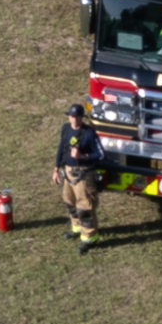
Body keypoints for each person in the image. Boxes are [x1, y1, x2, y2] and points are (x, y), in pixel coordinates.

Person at [53, 101, 105, 252]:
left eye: (77, 117)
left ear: (82, 118)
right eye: (71, 116)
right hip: (68, 172)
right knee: (69, 201)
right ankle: (76, 228)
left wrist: (83, 155)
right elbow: (61, 149)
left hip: (84, 174)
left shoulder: (89, 133)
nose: (74, 119)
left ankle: (90, 239)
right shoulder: (65, 129)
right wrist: (56, 169)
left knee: (85, 207)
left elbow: (100, 154)